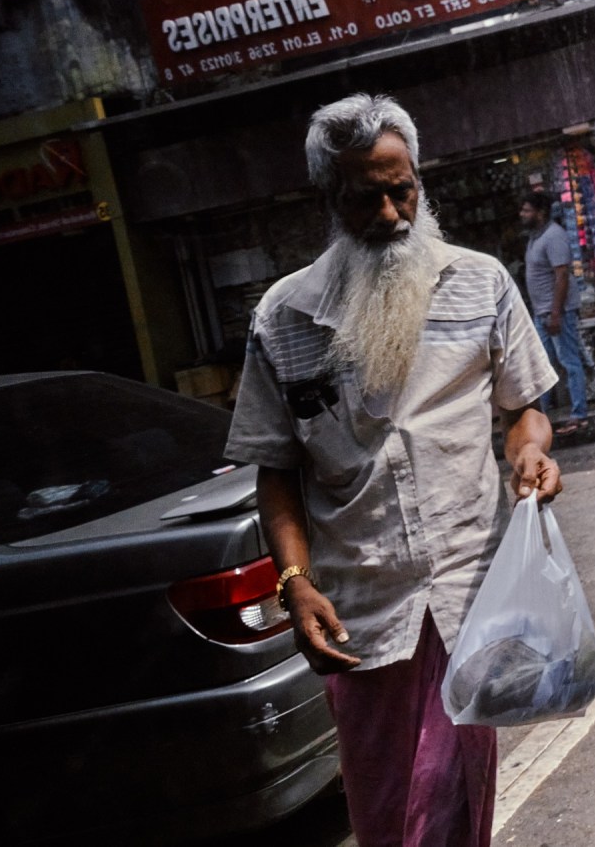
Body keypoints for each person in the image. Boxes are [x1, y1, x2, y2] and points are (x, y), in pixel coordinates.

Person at [225, 93, 562, 847]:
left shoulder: (480, 283)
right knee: (386, 813)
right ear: (330, 198)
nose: (389, 213)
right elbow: (275, 470)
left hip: (471, 597)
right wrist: (294, 582)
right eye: (365, 197)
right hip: (364, 616)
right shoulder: (284, 318)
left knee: (451, 802)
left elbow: (525, 411)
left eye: (401, 188)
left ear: (418, 177)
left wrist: (532, 452)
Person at [518, 190, 589, 434]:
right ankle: (541, 419)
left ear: (540, 212)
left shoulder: (553, 236)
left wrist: (556, 313)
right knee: (542, 365)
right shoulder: (535, 237)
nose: (523, 214)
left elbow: (561, 276)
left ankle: (579, 415)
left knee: (569, 361)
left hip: (557, 312)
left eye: (527, 210)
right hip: (543, 313)